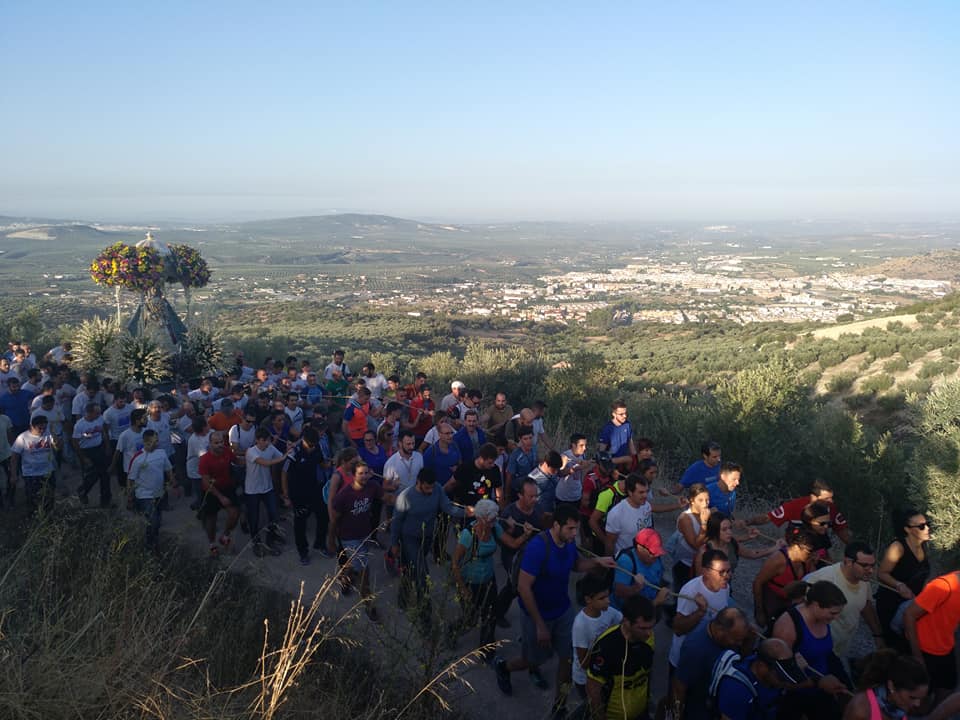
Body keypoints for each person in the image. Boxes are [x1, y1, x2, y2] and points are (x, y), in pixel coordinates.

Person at [494, 504, 617, 715]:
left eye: (576, 528)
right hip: (537, 615)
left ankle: (559, 706)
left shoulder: (568, 543)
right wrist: (540, 625)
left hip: (563, 611)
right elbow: (524, 587)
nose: (574, 533)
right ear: (557, 525)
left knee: (567, 660)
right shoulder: (538, 548)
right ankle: (503, 667)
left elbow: (575, 565)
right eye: (570, 528)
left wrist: (597, 562)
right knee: (531, 660)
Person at [450, 498, 527, 656]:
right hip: (470, 582)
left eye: (495, 519)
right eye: (491, 520)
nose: (494, 522)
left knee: (490, 616)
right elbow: (455, 563)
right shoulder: (468, 535)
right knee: (470, 619)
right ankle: (452, 631)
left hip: (489, 580)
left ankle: (486, 651)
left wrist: (526, 534)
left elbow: (512, 543)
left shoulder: (494, 528)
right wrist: (463, 588)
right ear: (480, 518)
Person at [390, 468, 470, 620]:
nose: (430, 491)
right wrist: (394, 544)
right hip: (409, 539)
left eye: (432, 487)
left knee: (410, 570)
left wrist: (466, 512)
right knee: (422, 573)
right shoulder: (405, 496)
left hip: (426, 538)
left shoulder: (437, 489)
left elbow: (447, 507)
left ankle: (403, 598)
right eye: (427, 488)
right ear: (418, 482)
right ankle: (425, 613)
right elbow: (396, 522)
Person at [772, 580, 852, 720]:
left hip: (821, 688)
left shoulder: (822, 618)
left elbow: (827, 653)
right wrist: (818, 682)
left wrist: (844, 681)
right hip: (795, 694)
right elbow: (779, 675)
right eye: (833, 613)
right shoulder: (787, 627)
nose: (836, 618)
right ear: (816, 605)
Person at [329, 460, 391, 620]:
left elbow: (386, 497)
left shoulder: (372, 486)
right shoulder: (344, 495)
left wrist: (406, 500)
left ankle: (345, 579)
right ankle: (369, 605)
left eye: (366, 473)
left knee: (355, 564)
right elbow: (334, 520)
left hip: (364, 534)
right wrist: (331, 540)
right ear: (353, 475)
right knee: (364, 571)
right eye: (360, 473)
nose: (364, 476)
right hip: (348, 537)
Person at [804, 541, 885, 660]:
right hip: (818, 650)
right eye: (864, 565)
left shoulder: (863, 580)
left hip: (841, 649)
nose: (870, 570)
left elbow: (866, 606)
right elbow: (801, 610)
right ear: (848, 562)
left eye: (872, 565)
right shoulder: (824, 579)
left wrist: (878, 635)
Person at [671, 607, 751, 720]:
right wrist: (676, 716)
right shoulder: (695, 649)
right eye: (735, 639)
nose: (739, 644)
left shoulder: (726, 636)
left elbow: (740, 658)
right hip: (699, 706)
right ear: (720, 630)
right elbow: (679, 687)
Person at [586, 595, 658, 720]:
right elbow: (593, 687)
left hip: (641, 712)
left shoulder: (648, 638)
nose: (648, 633)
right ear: (626, 621)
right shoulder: (606, 646)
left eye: (651, 627)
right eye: (642, 628)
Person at [669, 549, 733, 677]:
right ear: (706, 571)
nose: (727, 576)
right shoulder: (690, 591)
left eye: (729, 571)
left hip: (706, 657)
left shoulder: (725, 588)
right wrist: (700, 612)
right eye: (721, 572)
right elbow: (678, 629)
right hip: (684, 658)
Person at [875, 508, 931, 653]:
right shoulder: (898, 547)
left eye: (928, 524)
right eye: (921, 526)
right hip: (891, 603)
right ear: (907, 529)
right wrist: (899, 585)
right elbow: (881, 573)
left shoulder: (924, 546)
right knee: (895, 648)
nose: (927, 528)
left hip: (911, 604)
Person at [713, 638, 808, 720]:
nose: (785, 683)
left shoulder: (766, 666)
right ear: (762, 667)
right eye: (781, 678)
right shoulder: (736, 691)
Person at [494, 477, 543, 628]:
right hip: (513, 555)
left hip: (531, 553)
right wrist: (523, 534)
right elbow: (507, 542)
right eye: (531, 496)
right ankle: (497, 613)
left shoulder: (538, 510)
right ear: (520, 495)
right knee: (514, 585)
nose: (535, 499)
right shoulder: (509, 514)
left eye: (536, 496)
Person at [904, 570, 960, 703]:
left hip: (945, 647)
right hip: (924, 649)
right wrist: (917, 656)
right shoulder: (943, 586)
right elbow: (909, 615)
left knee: (947, 689)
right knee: (919, 698)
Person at [745, 478, 852, 545]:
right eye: (826, 498)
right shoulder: (795, 505)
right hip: (795, 548)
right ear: (813, 497)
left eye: (831, 498)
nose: (831, 501)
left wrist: (856, 552)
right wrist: (746, 522)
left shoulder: (832, 509)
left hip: (819, 550)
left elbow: (843, 532)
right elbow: (767, 518)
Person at [604, 470, 683, 556]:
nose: (645, 495)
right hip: (627, 559)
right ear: (630, 492)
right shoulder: (616, 514)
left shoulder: (644, 504)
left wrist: (678, 505)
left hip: (647, 556)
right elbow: (610, 543)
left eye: (647, 491)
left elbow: (656, 508)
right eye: (641, 492)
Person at [753, 526, 818, 630]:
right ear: (796, 547)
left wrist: (813, 563)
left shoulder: (807, 560)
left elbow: (812, 579)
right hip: (772, 601)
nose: (813, 555)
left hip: (791, 602)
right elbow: (757, 583)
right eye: (810, 551)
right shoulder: (778, 560)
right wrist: (759, 611)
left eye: (815, 551)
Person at [281, 426, 328, 564]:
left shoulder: (317, 447)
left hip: (314, 489)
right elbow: (284, 473)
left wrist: (331, 464)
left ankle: (320, 544)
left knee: (323, 516)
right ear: (303, 440)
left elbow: (322, 463)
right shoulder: (293, 453)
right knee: (300, 523)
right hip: (298, 493)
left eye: (314, 445)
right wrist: (285, 494)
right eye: (310, 445)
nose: (312, 448)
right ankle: (303, 552)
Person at [572, 574, 623, 700]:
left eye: (608, 596)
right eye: (602, 598)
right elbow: (583, 663)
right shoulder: (580, 625)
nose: (608, 601)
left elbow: (624, 622)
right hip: (586, 678)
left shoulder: (609, 611)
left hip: (603, 672)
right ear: (588, 599)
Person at [126, 429, 175, 554]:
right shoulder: (138, 458)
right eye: (154, 441)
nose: (156, 443)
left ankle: (152, 543)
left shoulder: (162, 453)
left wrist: (173, 483)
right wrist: (130, 497)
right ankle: (151, 546)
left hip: (159, 493)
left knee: (156, 522)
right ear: (145, 442)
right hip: (144, 495)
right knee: (154, 521)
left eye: (157, 440)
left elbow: (168, 469)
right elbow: (131, 479)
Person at [843, 650, 929, 720]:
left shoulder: (901, 704)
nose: (917, 704)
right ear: (891, 686)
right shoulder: (861, 710)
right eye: (912, 697)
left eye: (920, 698)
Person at [245, 428, 292, 557]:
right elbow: (266, 463)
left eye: (268, 440)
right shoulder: (251, 452)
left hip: (267, 488)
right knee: (254, 518)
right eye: (264, 440)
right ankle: (256, 542)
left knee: (273, 513)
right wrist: (284, 456)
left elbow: (281, 456)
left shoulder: (270, 447)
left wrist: (288, 450)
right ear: (257, 440)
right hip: (252, 490)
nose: (267, 443)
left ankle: (271, 539)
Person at [692, 511, 781, 579]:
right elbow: (699, 580)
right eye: (724, 529)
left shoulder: (732, 544)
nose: (729, 532)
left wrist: (775, 548)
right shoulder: (705, 551)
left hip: (726, 587)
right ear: (714, 531)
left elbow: (752, 554)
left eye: (730, 528)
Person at [198, 430, 241, 557]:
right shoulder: (204, 460)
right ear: (210, 443)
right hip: (211, 491)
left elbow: (237, 461)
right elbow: (206, 482)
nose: (220, 445)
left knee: (235, 513)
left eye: (221, 442)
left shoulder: (227, 451)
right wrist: (220, 497)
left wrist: (253, 458)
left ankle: (225, 536)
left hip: (227, 487)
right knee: (211, 520)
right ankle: (212, 544)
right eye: (216, 443)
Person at [611, 528, 671, 612]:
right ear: (639, 547)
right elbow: (619, 592)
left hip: (649, 604)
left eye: (658, 552)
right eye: (652, 552)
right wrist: (636, 588)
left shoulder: (656, 558)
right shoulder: (626, 561)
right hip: (631, 612)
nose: (655, 556)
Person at [10, 414, 56, 514]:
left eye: (44, 428)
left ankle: (49, 516)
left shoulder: (48, 434)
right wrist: (13, 475)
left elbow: (58, 448)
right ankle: (33, 517)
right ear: (32, 426)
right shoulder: (23, 437)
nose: (42, 431)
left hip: (48, 472)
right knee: (33, 498)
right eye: (40, 428)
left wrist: (55, 435)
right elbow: (14, 458)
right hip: (31, 474)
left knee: (49, 496)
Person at [671, 483, 712, 592]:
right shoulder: (686, 518)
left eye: (707, 500)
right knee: (683, 593)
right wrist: (704, 523)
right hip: (684, 563)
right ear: (692, 500)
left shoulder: (708, 515)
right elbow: (695, 544)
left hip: (701, 563)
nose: (705, 504)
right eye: (701, 500)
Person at [73, 402, 111, 508]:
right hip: (86, 451)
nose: (99, 414)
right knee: (91, 476)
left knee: (105, 475)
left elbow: (104, 432)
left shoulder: (100, 419)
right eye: (97, 412)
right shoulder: (80, 425)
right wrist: (83, 458)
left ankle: (105, 500)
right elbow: (75, 442)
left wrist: (107, 446)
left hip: (99, 448)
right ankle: (83, 491)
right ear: (89, 413)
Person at [448, 442, 503, 508]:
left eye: (494, 462)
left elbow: (499, 490)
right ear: (482, 458)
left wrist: (500, 507)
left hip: (485, 508)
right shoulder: (465, 468)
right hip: (466, 507)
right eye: (490, 463)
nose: (492, 465)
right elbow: (451, 483)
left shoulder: (494, 470)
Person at [597, 400, 636, 469]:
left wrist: (635, 458)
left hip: (624, 461)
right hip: (612, 461)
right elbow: (602, 450)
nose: (624, 416)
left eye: (626, 413)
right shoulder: (608, 429)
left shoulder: (627, 425)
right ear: (614, 414)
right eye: (621, 414)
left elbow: (630, 443)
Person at [382, 429, 424, 496]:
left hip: (416, 497)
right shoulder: (391, 463)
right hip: (399, 499)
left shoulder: (419, 457)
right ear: (400, 443)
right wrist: (394, 487)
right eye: (408, 444)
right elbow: (385, 486)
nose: (412, 447)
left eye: (413, 443)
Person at [527, 450, 563, 518]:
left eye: (557, 469)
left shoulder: (553, 471)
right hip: (538, 515)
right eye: (554, 469)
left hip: (551, 509)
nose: (556, 472)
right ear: (546, 464)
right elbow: (528, 501)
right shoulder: (533, 479)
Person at [505, 426, 538, 498]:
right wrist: (507, 493)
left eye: (530, 438)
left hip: (533, 481)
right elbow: (509, 474)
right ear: (520, 439)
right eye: (525, 439)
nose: (529, 441)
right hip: (520, 486)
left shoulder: (534, 448)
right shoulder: (515, 454)